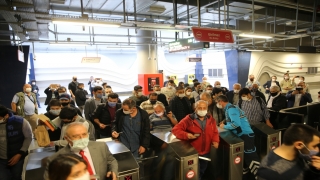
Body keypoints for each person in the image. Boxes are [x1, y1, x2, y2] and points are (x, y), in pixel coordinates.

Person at [44, 122, 118, 180]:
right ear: (66, 138)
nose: (82, 138)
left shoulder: (101, 146)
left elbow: (111, 160)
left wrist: (113, 171)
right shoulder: (55, 159)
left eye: (84, 134)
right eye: (76, 136)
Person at [172, 100, 219, 180]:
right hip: (193, 152)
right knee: (193, 173)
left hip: (206, 152)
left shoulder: (211, 119)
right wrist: (186, 135)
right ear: (195, 108)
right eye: (200, 108)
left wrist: (215, 141)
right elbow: (175, 130)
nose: (202, 110)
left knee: (202, 170)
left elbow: (215, 131)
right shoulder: (189, 119)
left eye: (204, 108)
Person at [216, 95, 260, 179]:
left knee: (251, 158)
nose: (217, 104)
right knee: (244, 159)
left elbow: (236, 124)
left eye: (217, 102)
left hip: (245, 135)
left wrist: (224, 127)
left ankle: (261, 176)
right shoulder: (231, 108)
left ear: (221, 101)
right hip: (242, 135)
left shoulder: (231, 109)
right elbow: (234, 120)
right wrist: (225, 122)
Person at [0, 105, 32, 180]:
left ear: (6, 115)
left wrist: (20, 153)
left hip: (17, 157)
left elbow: (28, 137)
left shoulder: (20, 122)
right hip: (1, 159)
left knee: (16, 177)